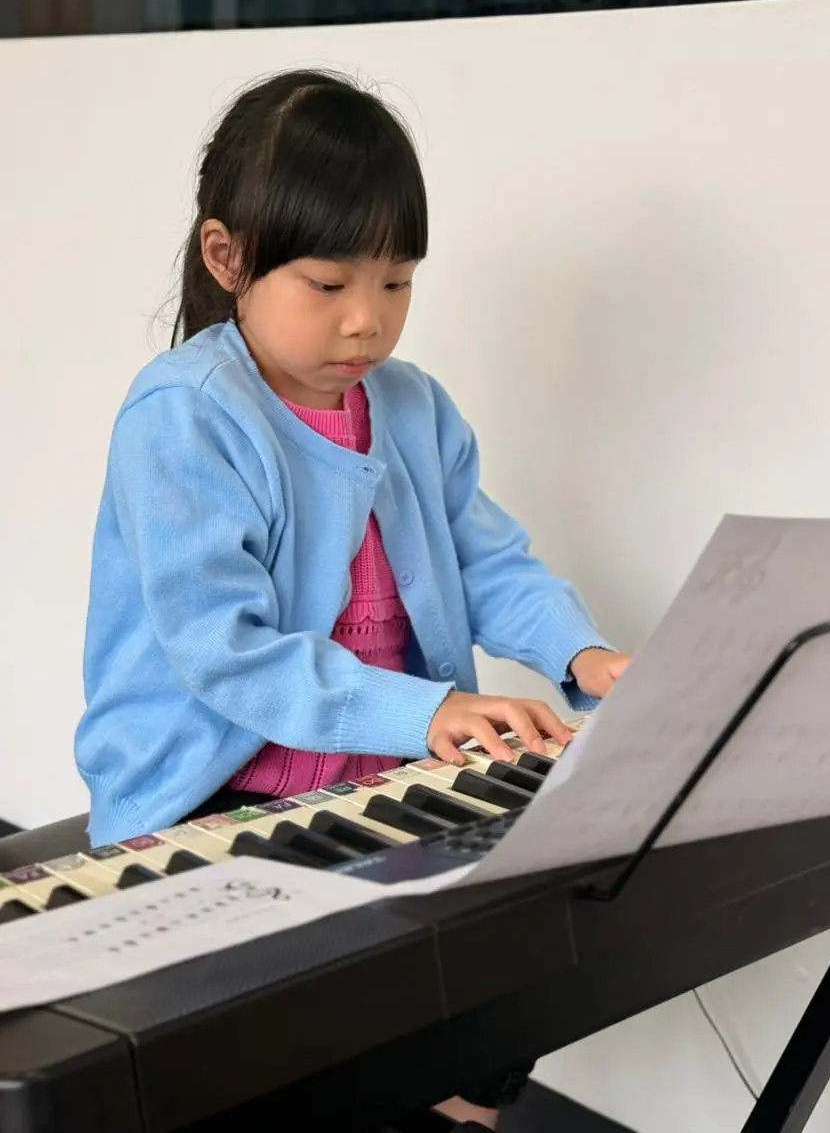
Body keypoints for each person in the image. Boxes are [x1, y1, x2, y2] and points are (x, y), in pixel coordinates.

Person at [76, 69, 627, 1127]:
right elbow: (227, 651)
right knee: (319, 1024)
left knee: (522, 946)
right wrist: (430, 710)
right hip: (213, 802)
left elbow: (491, 561)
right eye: (328, 285)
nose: (366, 322)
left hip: (385, 779)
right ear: (228, 256)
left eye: (397, 283)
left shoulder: (413, 407)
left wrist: (581, 654)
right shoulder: (185, 417)